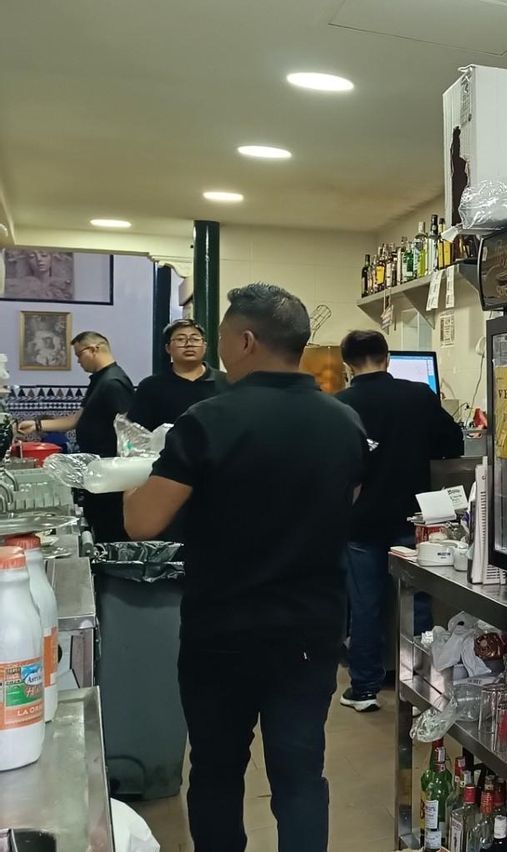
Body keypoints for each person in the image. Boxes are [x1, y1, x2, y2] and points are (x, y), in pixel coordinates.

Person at [124, 284, 366, 852]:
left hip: (222, 628)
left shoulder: (207, 419)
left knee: (216, 769)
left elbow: (142, 522)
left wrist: (133, 480)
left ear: (246, 340)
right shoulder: (345, 422)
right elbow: (345, 501)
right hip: (310, 629)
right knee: (301, 773)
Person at [334, 330, 462, 712]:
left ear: (347, 365)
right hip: (413, 518)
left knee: (365, 605)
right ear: (387, 359)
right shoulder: (418, 395)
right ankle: (424, 685)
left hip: (361, 523)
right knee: (418, 603)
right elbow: (451, 445)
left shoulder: (341, 404)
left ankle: (364, 689)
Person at [17, 331, 135, 540]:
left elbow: (129, 429)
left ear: (94, 349)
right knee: (98, 523)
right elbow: (75, 420)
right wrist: (36, 425)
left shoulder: (113, 382)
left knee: (110, 529)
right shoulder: (100, 380)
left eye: (79, 354)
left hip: (111, 474)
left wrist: (125, 474)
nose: (78, 361)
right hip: (98, 470)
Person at [128, 318, 226, 430]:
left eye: (195, 339)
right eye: (180, 339)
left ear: (204, 346)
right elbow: (136, 433)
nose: (189, 344)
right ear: (168, 348)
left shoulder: (226, 382)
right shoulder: (150, 386)